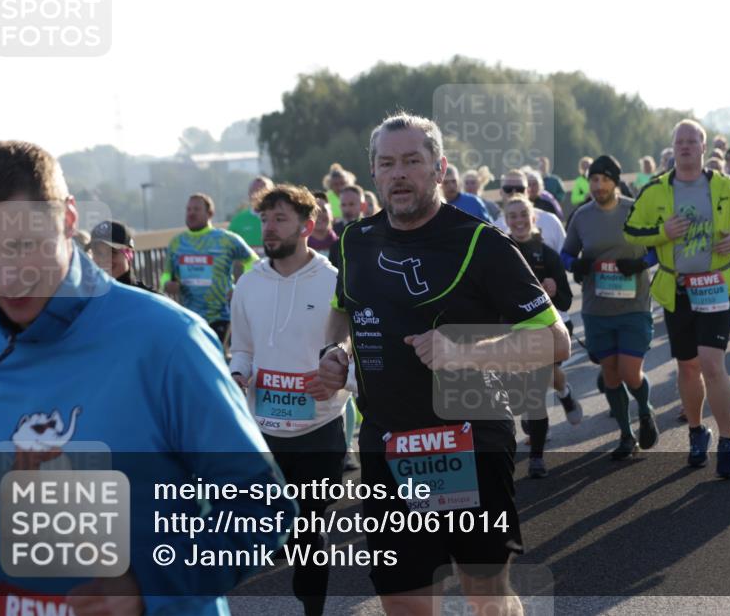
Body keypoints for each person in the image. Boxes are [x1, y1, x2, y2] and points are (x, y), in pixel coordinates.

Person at [0, 140, 292, 616]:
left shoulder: (167, 339)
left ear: (69, 219)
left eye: (21, 246)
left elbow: (263, 510)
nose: (5, 276)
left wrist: (148, 587)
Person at [311, 112, 570, 615]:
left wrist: (464, 352)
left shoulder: (483, 243)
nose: (399, 173)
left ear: (438, 168)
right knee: (403, 603)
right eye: (387, 163)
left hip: (469, 442)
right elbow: (344, 311)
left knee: (486, 599)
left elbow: (555, 341)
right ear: (373, 173)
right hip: (387, 446)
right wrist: (335, 353)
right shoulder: (355, 241)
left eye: (413, 160)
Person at [229, 184, 348, 616]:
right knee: (287, 527)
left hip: (319, 428)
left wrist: (339, 378)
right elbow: (242, 346)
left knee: (311, 527)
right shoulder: (248, 284)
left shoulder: (334, 281)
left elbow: (351, 347)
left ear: (307, 226)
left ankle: (313, 608)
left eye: (280, 219)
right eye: (265, 219)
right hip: (267, 429)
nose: (269, 228)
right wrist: (238, 371)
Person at [625, 119, 730, 479]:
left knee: (712, 363)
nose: (685, 146)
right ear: (673, 147)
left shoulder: (724, 186)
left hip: (715, 285)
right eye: (679, 141)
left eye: (691, 141)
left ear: (702, 146)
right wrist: (661, 233)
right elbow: (632, 230)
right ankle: (697, 432)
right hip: (677, 288)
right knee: (687, 366)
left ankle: (727, 442)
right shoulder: (656, 190)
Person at [562, 155, 659, 459]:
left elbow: (657, 250)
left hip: (634, 306)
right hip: (597, 309)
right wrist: (577, 263)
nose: (598, 185)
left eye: (604, 179)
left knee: (631, 373)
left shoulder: (635, 210)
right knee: (612, 376)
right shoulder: (581, 216)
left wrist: (640, 263)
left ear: (615, 182)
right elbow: (565, 256)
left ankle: (644, 411)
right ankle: (626, 435)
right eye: (593, 179)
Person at [503, 194, 581, 478]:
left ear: (533, 217)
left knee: (535, 394)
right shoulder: (499, 252)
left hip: (546, 330)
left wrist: (553, 289)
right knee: (523, 394)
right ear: (506, 221)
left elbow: (566, 301)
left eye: (523, 214)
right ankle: (565, 391)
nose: (519, 220)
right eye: (513, 216)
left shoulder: (546, 254)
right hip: (510, 333)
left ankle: (536, 457)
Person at [162, 193, 258, 346]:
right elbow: (167, 274)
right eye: (188, 209)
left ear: (210, 213)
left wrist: (241, 288)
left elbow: (253, 262)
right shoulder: (177, 242)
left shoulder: (226, 239)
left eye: (196, 209)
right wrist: (167, 284)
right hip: (189, 316)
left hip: (220, 316)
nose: (191, 213)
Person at [493, 169, 566, 254]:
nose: (514, 193)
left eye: (520, 189)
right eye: (508, 189)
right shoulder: (495, 229)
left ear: (528, 191)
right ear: (501, 192)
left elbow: (564, 259)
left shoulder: (550, 221)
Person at [87, 220, 158, 293]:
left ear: (129, 254)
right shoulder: (86, 298)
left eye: (112, 252)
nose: (103, 259)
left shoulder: (148, 299)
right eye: (98, 253)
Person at [228, 175, 275, 256]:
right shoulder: (238, 220)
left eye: (263, 191)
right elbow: (229, 250)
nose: (258, 195)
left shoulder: (281, 219)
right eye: (254, 191)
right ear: (249, 193)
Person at [308, 193, 339, 260]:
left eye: (324, 210)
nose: (319, 215)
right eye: (314, 211)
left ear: (331, 214)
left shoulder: (342, 245)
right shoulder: (299, 249)